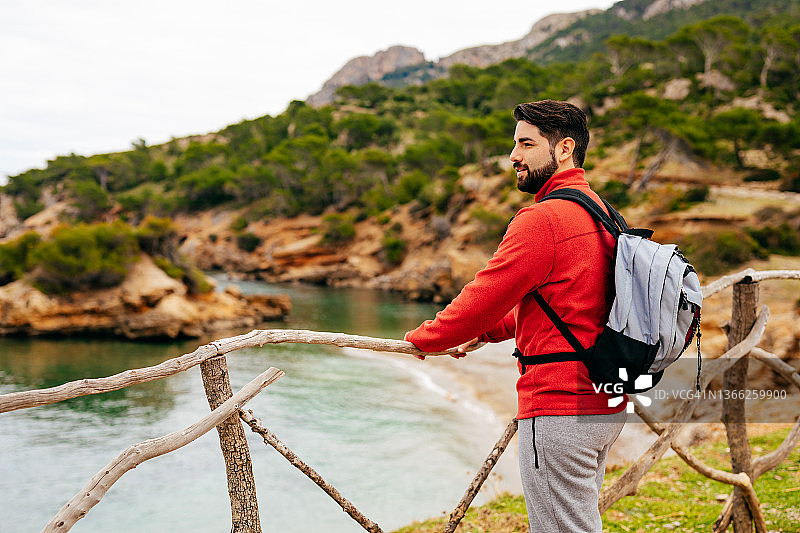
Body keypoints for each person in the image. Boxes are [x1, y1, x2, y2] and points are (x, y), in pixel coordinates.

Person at [404, 100, 627, 532]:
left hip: (560, 407)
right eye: (515, 144)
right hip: (604, 402)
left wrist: (424, 338)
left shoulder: (544, 220)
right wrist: (488, 334)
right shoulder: (602, 212)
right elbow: (567, 304)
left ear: (564, 149)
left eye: (526, 144)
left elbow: (483, 298)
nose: (513, 156)